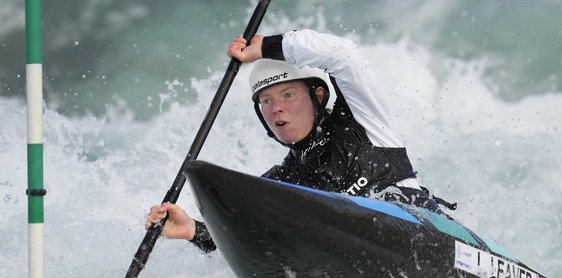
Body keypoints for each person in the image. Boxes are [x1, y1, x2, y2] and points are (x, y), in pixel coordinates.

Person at [146, 29, 453, 253]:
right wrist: (194, 231)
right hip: (363, 254)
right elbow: (246, 229)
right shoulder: (285, 181)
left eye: (288, 94)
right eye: (265, 101)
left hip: (425, 230)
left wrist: (269, 46)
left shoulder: (364, 121)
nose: (276, 108)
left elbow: (343, 55)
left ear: (317, 96)